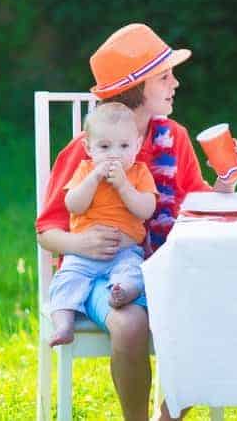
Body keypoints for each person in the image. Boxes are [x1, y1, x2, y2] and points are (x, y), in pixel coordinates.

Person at [36, 23, 237, 421]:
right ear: (134, 89)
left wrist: (224, 183)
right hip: (95, 276)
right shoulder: (84, 153)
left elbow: (194, 207)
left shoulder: (175, 138)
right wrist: (80, 245)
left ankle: (169, 416)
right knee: (131, 325)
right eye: (164, 76)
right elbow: (47, 230)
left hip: (162, 267)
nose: (176, 83)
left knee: (216, 311)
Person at [48, 102, 157, 347]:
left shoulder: (139, 173)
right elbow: (73, 205)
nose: (114, 154)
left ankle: (123, 291)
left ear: (137, 145)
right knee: (66, 280)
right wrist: (94, 178)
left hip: (125, 253)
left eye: (124, 146)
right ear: (88, 148)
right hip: (83, 255)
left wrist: (123, 187)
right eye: (105, 146)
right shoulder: (84, 170)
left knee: (135, 272)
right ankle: (64, 324)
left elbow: (146, 209)